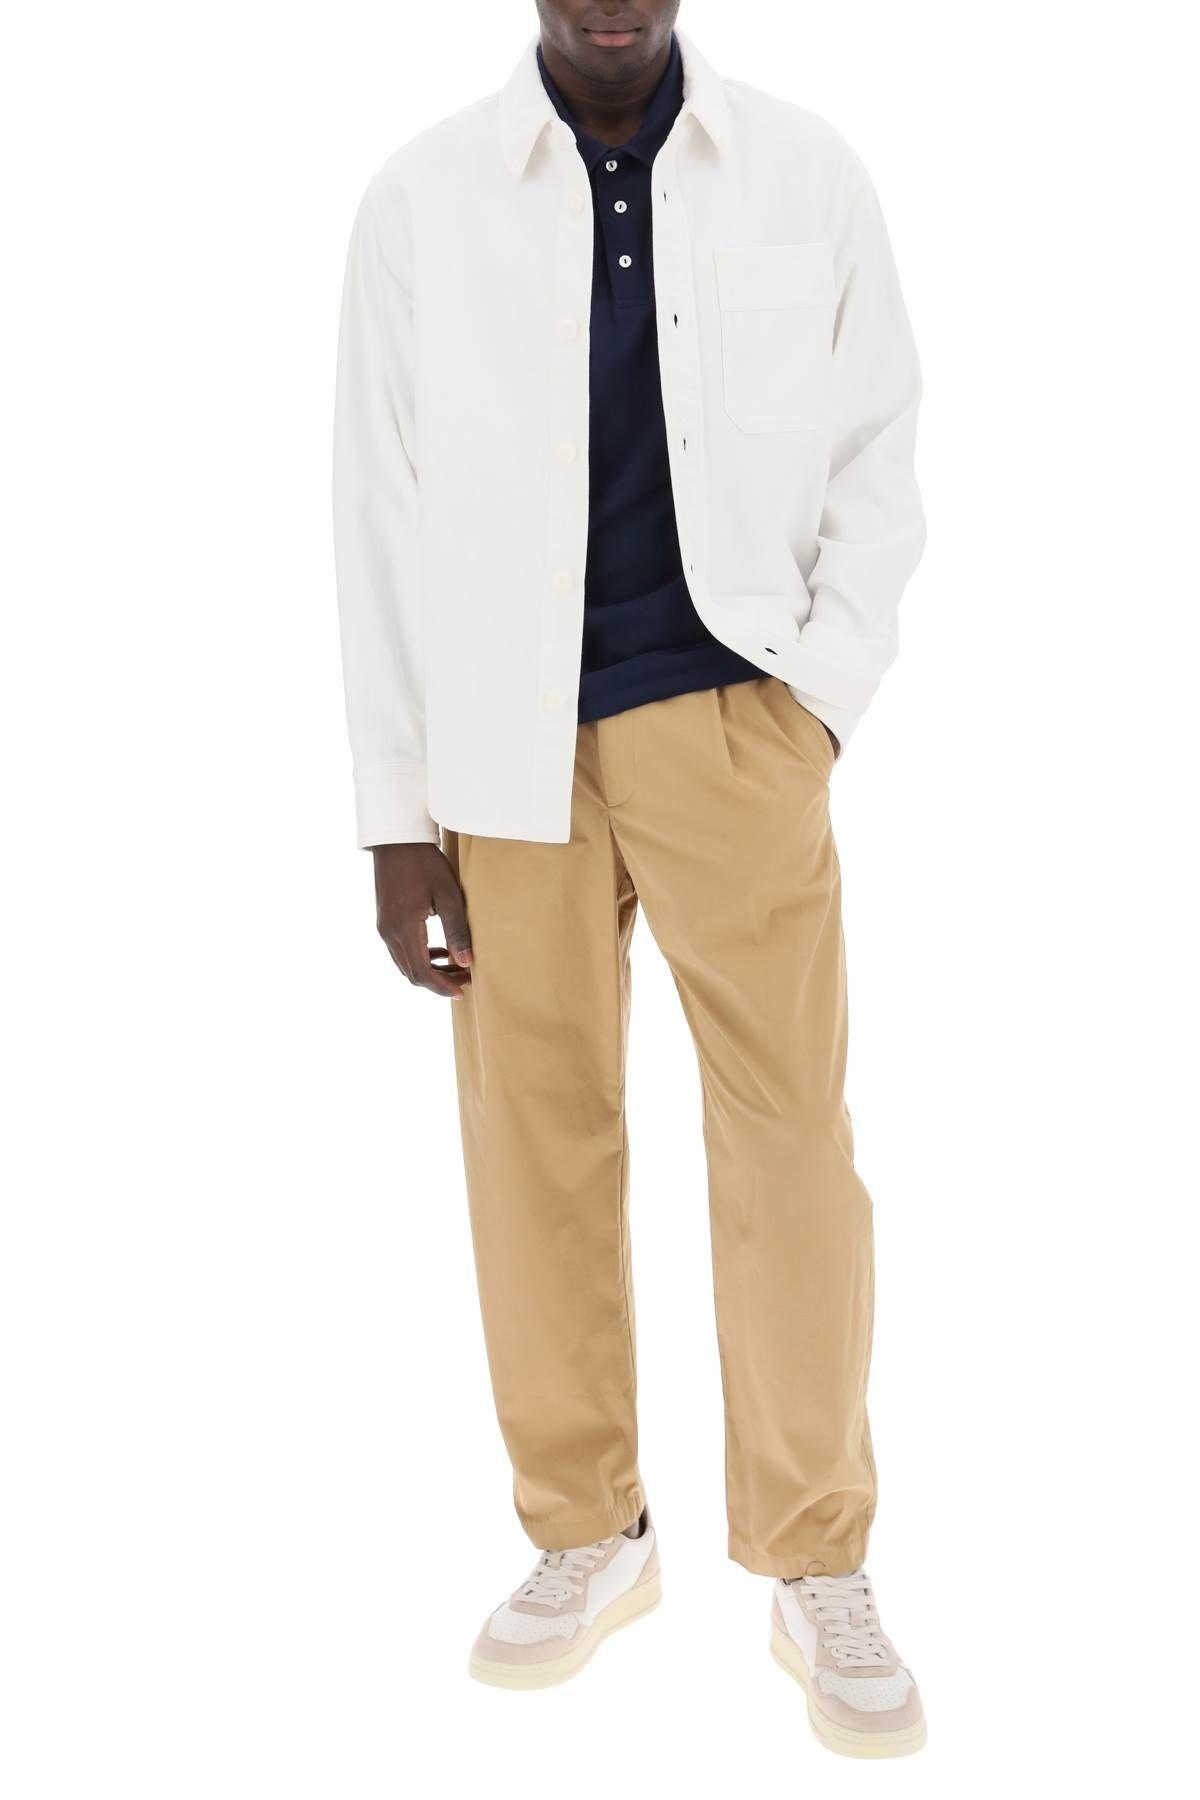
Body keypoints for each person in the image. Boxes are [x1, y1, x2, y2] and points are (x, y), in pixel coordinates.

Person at [333, 0, 925, 1756]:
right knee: (535, 1140)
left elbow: (879, 446)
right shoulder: (421, 199)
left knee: (790, 1137)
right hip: (500, 751)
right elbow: (375, 505)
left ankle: (816, 1556)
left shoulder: (805, 171)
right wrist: (393, 813)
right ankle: (586, 1527)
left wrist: (818, 699)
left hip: (732, 722)